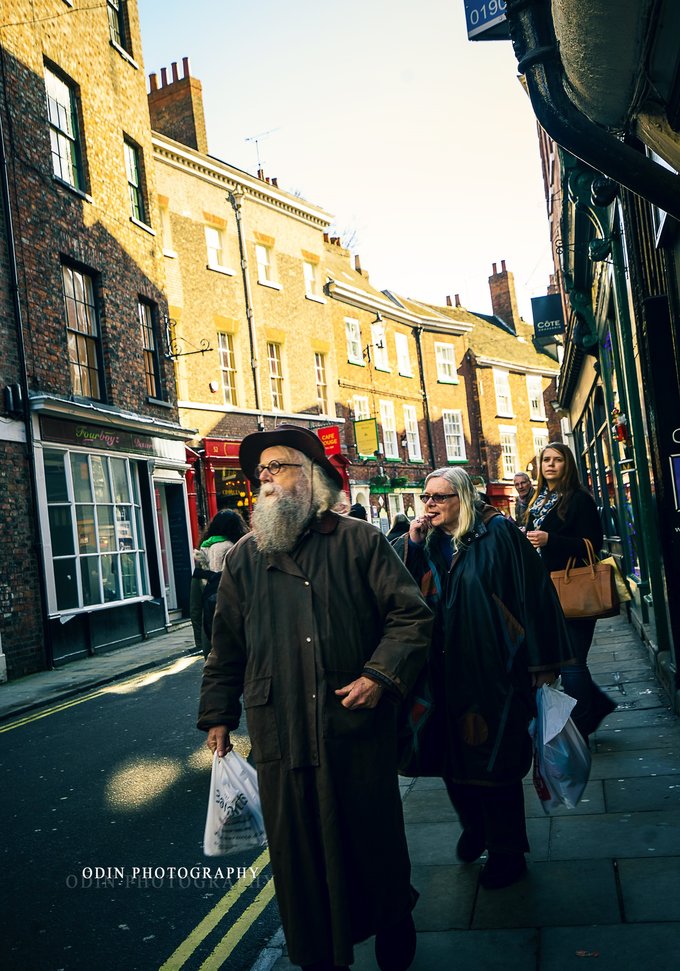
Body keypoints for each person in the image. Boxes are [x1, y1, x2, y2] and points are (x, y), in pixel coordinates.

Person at [197, 425, 433, 971]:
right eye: (260, 475)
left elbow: (411, 616)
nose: (266, 482)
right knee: (299, 857)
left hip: (350, 726)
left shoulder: (359, 541)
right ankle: (321, 956)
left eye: (277, 469)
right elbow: (225, 643)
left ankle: (395, 919)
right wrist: (217, 714)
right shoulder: (244, 558)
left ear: (311, 478)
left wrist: (379, 675)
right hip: (280, 730)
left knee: (370, 840)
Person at [394, 467, 573, 890]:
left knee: (494, 762)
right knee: (449, 758)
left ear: (464, 500)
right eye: (426, 497)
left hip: (493, 671)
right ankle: (474, 826)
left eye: (440, 497)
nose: (430, 505)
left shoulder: (500, 534)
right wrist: (413, 543)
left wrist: (541, 662)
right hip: (440, 672)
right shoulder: (430, 541)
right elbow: (401, 589)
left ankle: (508, 851)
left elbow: (535, 596)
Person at [526, 442, 617, 739]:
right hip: (545, 589)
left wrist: (550, 539)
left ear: (568, 465)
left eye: (557, 460)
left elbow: (592, 542)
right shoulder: (539, 500)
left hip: (573, 586)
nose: (550, 465)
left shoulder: (579, 499)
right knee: (563, 659)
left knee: (573, 661)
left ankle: (580, 725)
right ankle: (597, 706)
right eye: (546, 460)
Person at [189, 509, 249, 657]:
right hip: (241, 630)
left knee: (216, 675)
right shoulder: (241, 551)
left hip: (210, 631)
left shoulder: (202, 555)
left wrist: (199, 640)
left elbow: (195, 605)